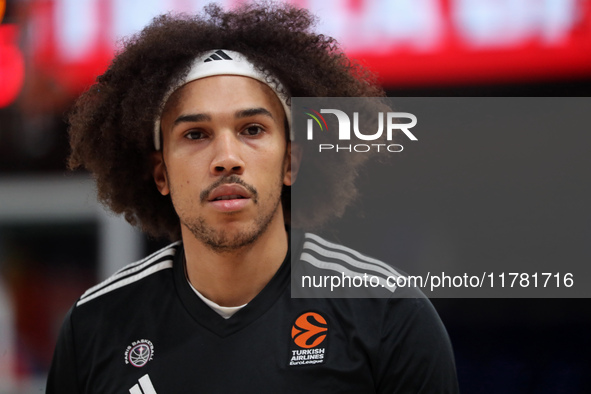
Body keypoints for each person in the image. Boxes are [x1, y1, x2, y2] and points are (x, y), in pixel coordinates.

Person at [47, 3, 459, 393]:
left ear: (290, 164)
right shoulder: (94, 326)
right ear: (161, 174)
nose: (227, 159)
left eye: (252, 130)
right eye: (196, 134)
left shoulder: (389, 314)